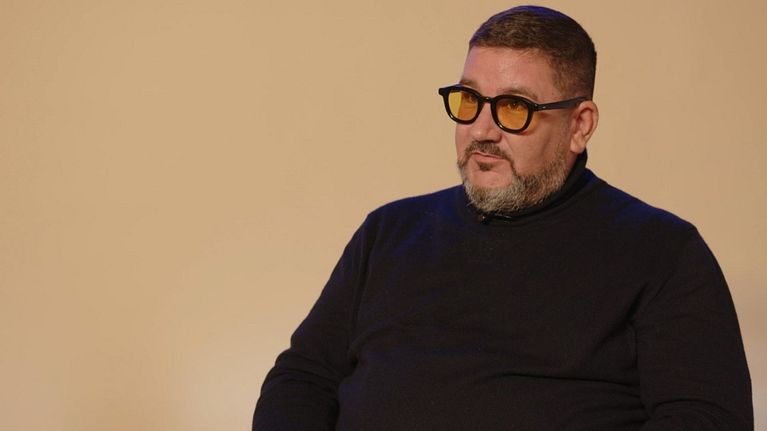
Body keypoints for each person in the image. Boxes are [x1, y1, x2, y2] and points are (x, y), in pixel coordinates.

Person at [253, 6, 753, 430]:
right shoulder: (389, 232)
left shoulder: (662, 252)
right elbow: (303, 378)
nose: (481, 130)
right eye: (469, 100)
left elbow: (705, 418)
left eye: (514, 107)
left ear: (580, 125)